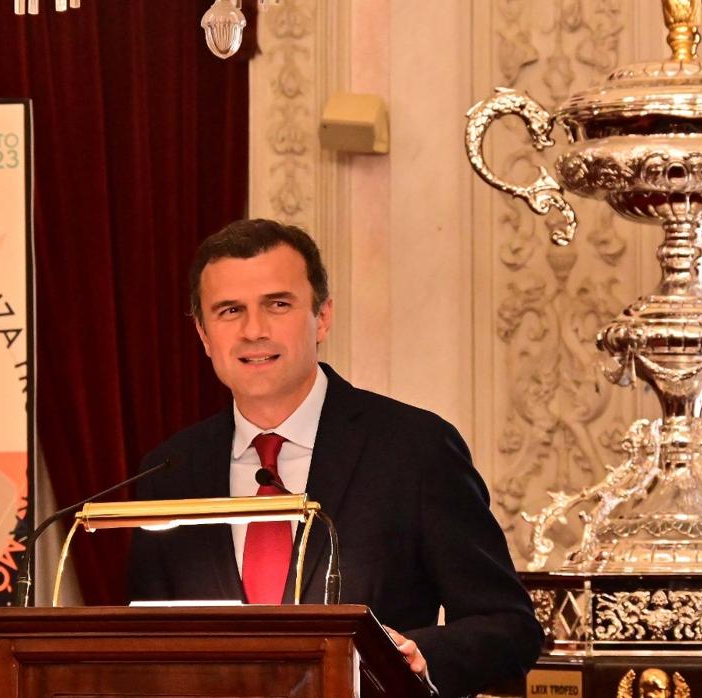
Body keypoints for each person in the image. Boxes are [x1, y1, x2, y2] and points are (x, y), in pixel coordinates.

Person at [127, 218, 543, 696]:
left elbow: (509, 629)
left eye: (277, 305)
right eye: (229, 311)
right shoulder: (171, 470)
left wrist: (419, 656)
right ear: (203, 334)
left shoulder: (414, 449)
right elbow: (145, 647)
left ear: (322, 317)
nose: (253, 330)